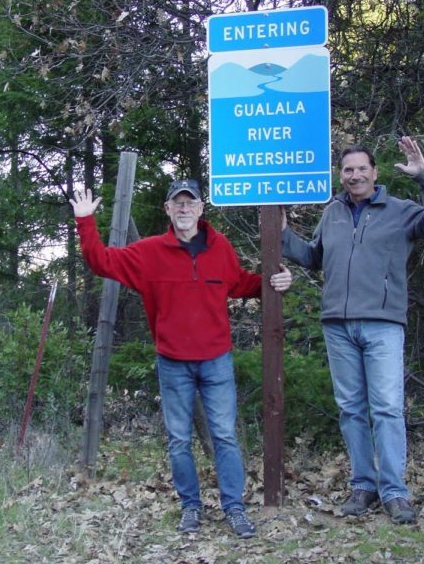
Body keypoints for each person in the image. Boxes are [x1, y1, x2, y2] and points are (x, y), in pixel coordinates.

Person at [70, 178, 293, 537]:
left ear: (202, 209)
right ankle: (190, 507)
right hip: (172, 361)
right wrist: (85, 221)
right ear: (168, 210)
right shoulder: (148, 252)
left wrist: (275, 282)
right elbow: (101, 262)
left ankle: (234, 508)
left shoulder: (221, 249)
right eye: (178, 203)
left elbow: (240, 283)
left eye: (191, 203)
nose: (185, 209)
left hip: (216, 359)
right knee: (178, 440)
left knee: (224, 436)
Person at [281, 136, 424, 524]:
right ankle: (364, 486)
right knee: (351, 410)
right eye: (348, 169)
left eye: (362, 168)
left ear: (374, 173)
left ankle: (394, 493)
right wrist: (283, 234)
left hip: (382, 325)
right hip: (338, 327)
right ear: (340, 176)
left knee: (388, 409)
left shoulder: (401, 211)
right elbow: (313, 258)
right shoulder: (333, 214)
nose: (355, 175)